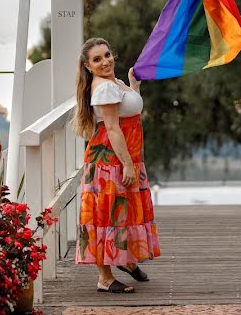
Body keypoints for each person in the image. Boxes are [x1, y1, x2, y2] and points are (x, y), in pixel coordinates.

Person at [73, 37, 160, 293]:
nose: (105, 61)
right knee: (107, 215)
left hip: (124, 155)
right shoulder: (104, 88)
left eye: (107, 55)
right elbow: (112, 128)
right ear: (88, 66)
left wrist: (133, 85)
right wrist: (128, 165)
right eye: (97, 59)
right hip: (111, 160)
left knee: (122, 212)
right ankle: (105, 278)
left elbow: (130, 113)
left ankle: (127, 261)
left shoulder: (115, 83)